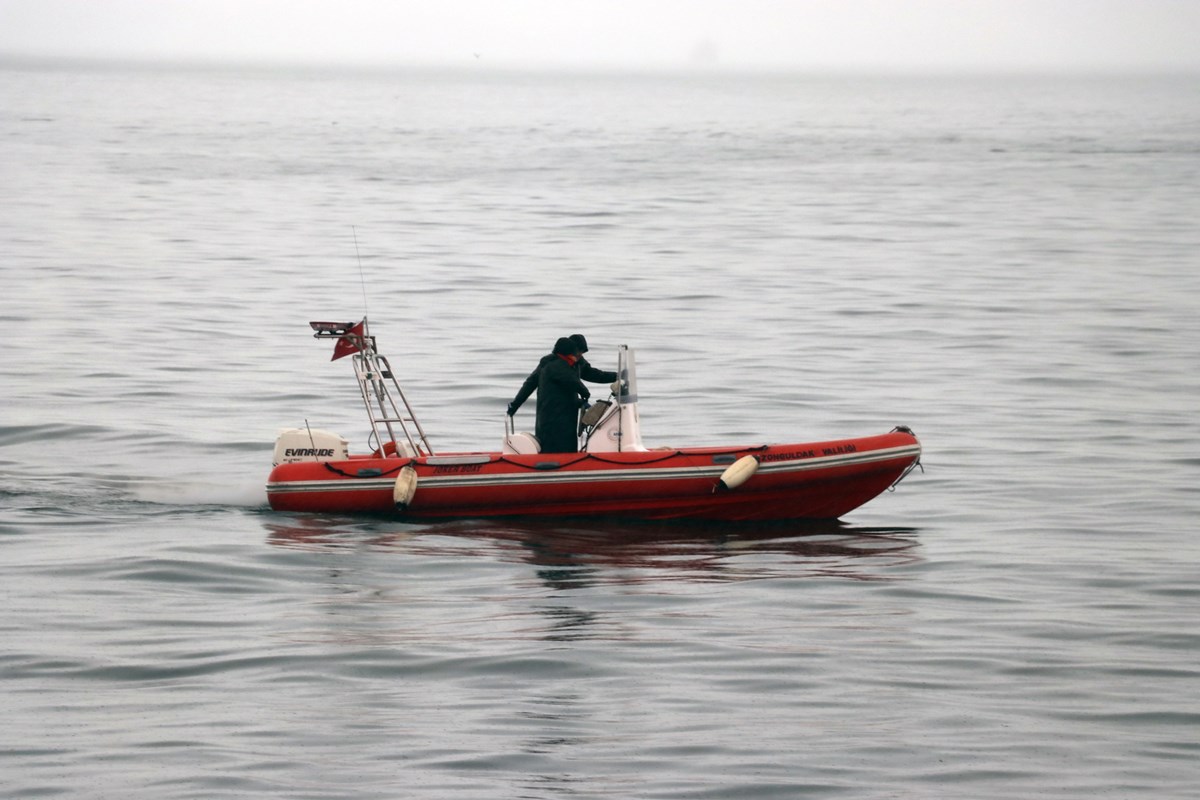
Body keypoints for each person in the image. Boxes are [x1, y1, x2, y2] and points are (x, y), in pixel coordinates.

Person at [506, 333, 617, 417]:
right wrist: (515, 404)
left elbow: (594, 375)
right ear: (570, 349)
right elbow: (530, 384)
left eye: (582, 352)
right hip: (550, 412)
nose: (580, 355)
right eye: (578, 351)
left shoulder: (577, 362)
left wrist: (617, 376)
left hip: (568, 412)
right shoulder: (549, 363)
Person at [532, 337, 591, 453]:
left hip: (564, 419)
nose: (579, 356)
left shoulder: (572, 364)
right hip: (554, 420)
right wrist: (585, 393)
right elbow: (574, 382)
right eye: (578, 353)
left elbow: (591, 374)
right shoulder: (556, 365)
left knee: (567, 446)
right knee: (554, 448)